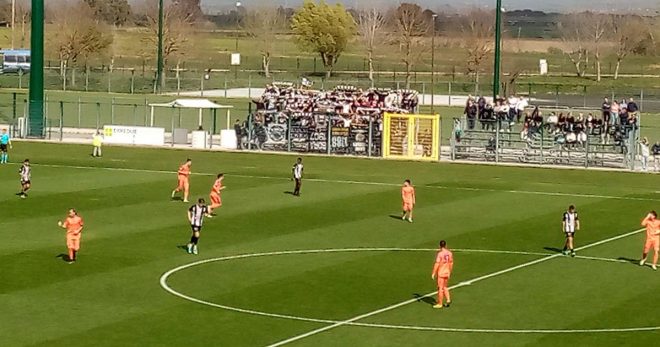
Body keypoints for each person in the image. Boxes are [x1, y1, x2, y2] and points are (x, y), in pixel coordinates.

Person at [431, 240, 453, 309]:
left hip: (441, 273)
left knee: (440, 288)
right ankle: (448, 299)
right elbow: (451, 263)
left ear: (440, 246)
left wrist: (433, 272)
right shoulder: (449, 253)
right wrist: (449, 271)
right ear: (446, 245)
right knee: (445, 286)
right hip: (447, 272)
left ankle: (440, 303)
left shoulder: (440, 254)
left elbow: (437, 263)